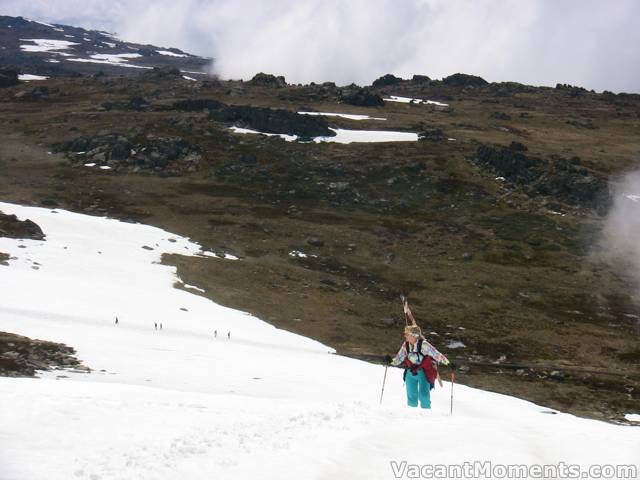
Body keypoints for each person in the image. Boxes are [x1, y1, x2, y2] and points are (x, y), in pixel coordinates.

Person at [385, 325, 449, 409]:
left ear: (414, 335)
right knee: (411, 398)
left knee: (424, 396)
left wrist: (448, 363)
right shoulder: (406, 345)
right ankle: (412, 417)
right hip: (410, 373)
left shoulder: (424, 345)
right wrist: (391, 361)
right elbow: (399, 358)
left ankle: (427, 416)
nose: (405, 336)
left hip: (423, 373)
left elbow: (436, 354)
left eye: (407, 334)